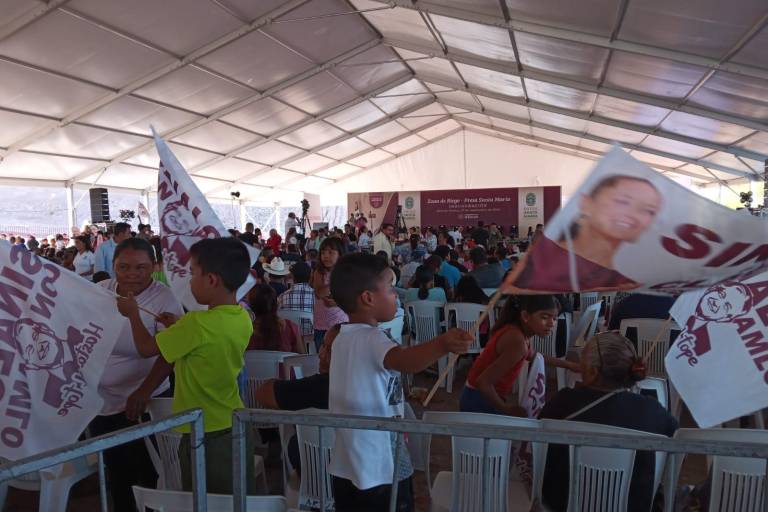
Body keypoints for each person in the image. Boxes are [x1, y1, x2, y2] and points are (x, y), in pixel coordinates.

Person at [327, 253, 473, 511]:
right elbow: (405, 360)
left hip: (346, 463)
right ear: (368, 298)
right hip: (377, 466)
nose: (396, 295)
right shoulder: (372, 338)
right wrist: (442, 343)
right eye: (391, 289)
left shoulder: (342, 338)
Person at [115, 237, 257, 495]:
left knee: (203, 496)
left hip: (202, 429)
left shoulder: (196, 324)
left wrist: (133, 314)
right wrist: (177, 327)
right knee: (234, 497)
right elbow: (208, 342)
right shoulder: (242, 318)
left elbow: (146, 348)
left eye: (193, 274)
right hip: (233, 421)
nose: (189, 281)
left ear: (212, 280)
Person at [90, 238, 184, 512]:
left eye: (141, 267)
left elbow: (169, 353)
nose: (132, 274)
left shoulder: (164, 298)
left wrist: (144, 391)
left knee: (152, 471)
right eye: (124, 267)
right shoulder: (100, 291)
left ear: (154, 267)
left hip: (147, 400)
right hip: (103, 404)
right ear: (113, 266)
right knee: (118, 472)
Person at [540, 331, 678, 512]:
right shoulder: (652, 412)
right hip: (634, 506)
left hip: (562, 504)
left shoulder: (562, 404)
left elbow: (540, 449)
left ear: (592, 371)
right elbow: (674, 446)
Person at [511, 175, 662, 292]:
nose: (633, 214)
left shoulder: (624, 281)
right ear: (586, 204)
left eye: (648, 210)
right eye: (623, 201)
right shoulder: (539, 262)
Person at [460, 295, 579, 415]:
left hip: (480, 395)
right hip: (478, 401)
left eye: (554, 318)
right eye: (544, 317)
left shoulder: (518, 333)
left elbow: (536, 356)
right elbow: (483, 383)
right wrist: (506, 409)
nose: (551, 324)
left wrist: (570, 365)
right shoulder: (517, 341)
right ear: (525, 316)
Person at [310, 237, 348, 352]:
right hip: (321, 324)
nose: (326, 256)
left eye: (331, 252)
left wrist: (337, 302)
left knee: (341, 355)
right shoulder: (319, 272)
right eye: (323, 252)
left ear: (340, 254)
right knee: (322, 355)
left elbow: (349, 297)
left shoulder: (346, 273)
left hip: (341, 322)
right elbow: (319, 293)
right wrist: (335, 279)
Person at [247, 284, 303, 353]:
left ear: (251, 307)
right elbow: (301, 359)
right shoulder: (291, 328)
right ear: (277, 304)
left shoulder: (245, 330)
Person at [608, 293, 675, 330]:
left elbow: (610, 336)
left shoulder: (623, 305)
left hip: (630, 354)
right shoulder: (678, 308)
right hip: (670, 354)